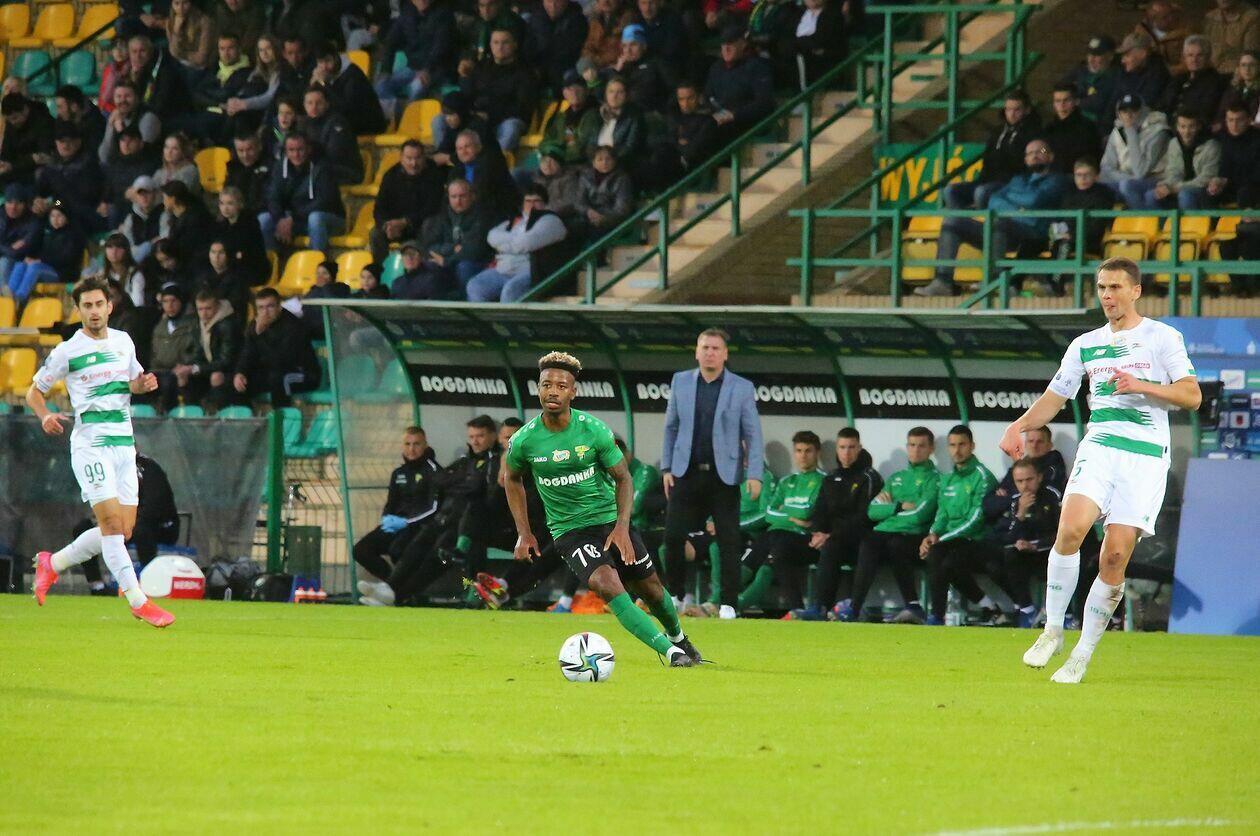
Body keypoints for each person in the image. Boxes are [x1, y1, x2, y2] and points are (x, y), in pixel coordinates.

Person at [1004, 257, 1199, 683]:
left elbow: (1191, 395)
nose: (1107, 296)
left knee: (1113, 555)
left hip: (1145, 456)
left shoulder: (1163, 337)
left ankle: (1082, 654)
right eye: (1101, 288)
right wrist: (1020, 425)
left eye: (1115, 287)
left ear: (1136, 291)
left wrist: (1142, 385)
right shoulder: (1084, 344)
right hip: (1101, 445)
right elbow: (1055, 397)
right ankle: (1052, 630)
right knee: (1070, 530)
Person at [505, 351, 701, 666]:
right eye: (546, 385)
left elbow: (624, 479)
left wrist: (622, 527)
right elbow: (512, 479)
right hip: (570, 530)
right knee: (606, 583)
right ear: (538, 388)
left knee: (651, 589)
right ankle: (671, 652)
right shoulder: (524, 440)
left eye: (561, 386)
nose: (553, 391)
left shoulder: (593, 430)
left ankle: (679, 638)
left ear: (573, 392)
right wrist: (524, 532)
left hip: (610, 521)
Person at [28, 276, 173, 627]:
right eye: (86, 306)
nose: (93, 311)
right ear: (78, 310)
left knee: (123, 531)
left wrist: (143, 385)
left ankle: (53, 563)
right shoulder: (68, 351)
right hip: (92, 445)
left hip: (124, 445)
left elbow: (133, 382)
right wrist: (45, 415)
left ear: (109, 306)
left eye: (98, 304)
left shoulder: (124, 342)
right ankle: (138, 600)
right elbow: (34, 392)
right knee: (109, 525)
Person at [661, 328, 763, 620]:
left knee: (729, 541)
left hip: (724, 475)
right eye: (705, 347)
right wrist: (667, 467)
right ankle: (676, 595)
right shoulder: (680, 381)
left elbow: (752, 433)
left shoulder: (741, 387)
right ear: (697, 351)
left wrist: (755, 473)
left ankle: (728, 603)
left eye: (716, 348)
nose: (710, 353)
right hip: (685, 471)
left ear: (725, 354)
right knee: (672, 536)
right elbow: (671, 427)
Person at [359, 415, 500, 606]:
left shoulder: (494, 461)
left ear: (493, 436)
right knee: (414, 549)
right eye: (472, 436)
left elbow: (477, 489)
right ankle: (389, 589)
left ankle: (397, 596)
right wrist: (464, 483)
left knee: (432, 560)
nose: (475, 441)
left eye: (480, 436)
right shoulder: (466, 460)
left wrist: (462, 484)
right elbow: (442, 481)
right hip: (445, 519)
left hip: (467, 525)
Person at [917, 139, 1068, 297]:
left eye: (1040, 152)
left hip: (1032, 234)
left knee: (999, 221)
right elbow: (994, 200)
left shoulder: (1058, 180)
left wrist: (1011, 198)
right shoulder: (1017, 180)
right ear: (1025, 159)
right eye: (1030, 153)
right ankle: (943, 282)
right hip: (1002, 229)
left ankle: (994, 280)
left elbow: (1035, 200)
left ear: (1051, 156)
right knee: (952, 222)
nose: (1034, 155)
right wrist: (1018, 210)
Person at [847, 427, 939, 625]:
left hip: (914, 535)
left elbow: (920, 515)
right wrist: (899, 506)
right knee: (869, 541)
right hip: (887, 533)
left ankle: (913, 606)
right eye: (912, 445)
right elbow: (872, 511)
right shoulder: (896, 478)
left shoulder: (935, 479)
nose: (916, 450)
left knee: (896, 544)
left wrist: (889, 512)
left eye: (921, 446)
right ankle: (854, 608)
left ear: (931, 449)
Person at [792, 427, 882, 621]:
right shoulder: (831, 478)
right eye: (842, 447)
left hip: (859, 539)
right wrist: (818, 532)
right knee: (785, 545)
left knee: (841, 544)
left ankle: (852, 608)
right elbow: (820, 510)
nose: (846, 453)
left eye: (851, 447)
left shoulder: (869, 477)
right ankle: (819, 607)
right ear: (837, 449)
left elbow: (864, 516)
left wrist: (831, 535)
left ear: (859, 448)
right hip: (832, 539)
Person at [736, 430, 825, 613]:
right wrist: (793, 517)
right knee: (772, 546)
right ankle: (724, 603)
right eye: (799, 451)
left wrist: (784, 510)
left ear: (817, 452)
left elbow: (808, 511)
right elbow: (769, 513)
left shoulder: (823, 480)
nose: (803, 456)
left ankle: (727, 604)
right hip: (777, 540)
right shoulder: (786, 481)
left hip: (804, 540)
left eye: (808, 451)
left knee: (774, 541)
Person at [919, 425, 999, 626]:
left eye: (962, 444)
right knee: (935, 555)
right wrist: (932, 534)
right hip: (951, 541)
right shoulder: (947, 478)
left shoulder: (983, 476)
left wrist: (941, 538)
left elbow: (976, 519)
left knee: (948, 562)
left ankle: (986, 607)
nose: (957, 450)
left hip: (977, 540)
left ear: (972, 446)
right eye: (952, 445)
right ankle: (937, 616)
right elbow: (942, 513)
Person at [353, 426, 443, 592]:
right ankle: (392, 589)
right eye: (407, 444)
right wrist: (386, 519)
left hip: (419, 527)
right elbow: (391, 503)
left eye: (416, 444)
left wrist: (407, 522)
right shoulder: (398, 473)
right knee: (361, 550)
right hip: (396, 524)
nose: (411, 449)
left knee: (398, 550)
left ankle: (396, 591)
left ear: (425, 445)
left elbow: (434, 508)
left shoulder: (434, 471)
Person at [466, 185, 568, 303]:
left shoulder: (550, 220)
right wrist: (515, 242)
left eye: (536, 201)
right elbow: (491, 236)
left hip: (532, 273)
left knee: (510, 290)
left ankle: (506, 316)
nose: (531, 205)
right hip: (503, 270)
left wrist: (504, 245)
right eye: (528, 201)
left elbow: (525, 243)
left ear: (545, 203)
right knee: (475, 286)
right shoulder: (516, 221)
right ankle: (485, 316)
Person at [942, 90, 1041, 210]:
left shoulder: (1035, 132)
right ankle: (961, 220)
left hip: (1012, 183)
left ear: (1027, 110)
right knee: (950, 191)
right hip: (986, 180)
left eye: (1017, 110)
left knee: (981, 192)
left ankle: (983, 221)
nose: (1011, 114)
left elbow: (1044, 151)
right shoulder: (997, 131)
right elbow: (987, 157)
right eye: (1008, 109)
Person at [996, 457, 1062, 628]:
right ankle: (1027, 609)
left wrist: (1036, 545)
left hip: (1051, 551)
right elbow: (1010, 537)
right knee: (1007, 555)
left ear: (1039, 477)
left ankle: (1064, 615)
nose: (1025, 485)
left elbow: (1062, 534)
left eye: (1029, 479)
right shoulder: (1016, 501)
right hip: (1028, 554)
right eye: (1019, 481)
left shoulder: (1053, 496)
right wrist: (1021, 514)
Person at [233, 287, 321, 406]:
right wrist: (240, 372)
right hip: (274, 371)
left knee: (278, 379)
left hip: (304, 374)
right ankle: (246, 416)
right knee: (240, 383)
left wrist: (260, 335)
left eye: (270, 306)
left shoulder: (293, 326)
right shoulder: (256, 325)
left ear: (279, 307)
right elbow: (247, 353)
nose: (265, 312)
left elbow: (281, 360)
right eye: (261, 307)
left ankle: (281, 417)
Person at [259, 133, 346, 253]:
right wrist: (280, 219)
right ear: (286, 152)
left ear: (308, 149)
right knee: (264, 219)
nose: (296, 155)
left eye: (300, 149)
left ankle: (317, 261)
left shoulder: (322, 167)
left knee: (315, 218)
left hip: (328, 219)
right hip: (296, 220)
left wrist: (292, 218)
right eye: (291, 150)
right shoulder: (279, 167)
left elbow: (324, 202)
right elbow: (273, 197)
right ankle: (273, 259)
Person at [459, 28, 537, 153]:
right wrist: (465, 77)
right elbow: (468, 95)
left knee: (511, 127)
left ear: (515, 45)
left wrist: (490, 115)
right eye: (496, 42)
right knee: (441, 120)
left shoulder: (525, 72)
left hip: (507, 119)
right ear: (490, 45)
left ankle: (496, 161)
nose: (500, 47)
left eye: (505, 42)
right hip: (480, 118)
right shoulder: (481, 67)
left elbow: (522, 107)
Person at [375, 0, 456, 118]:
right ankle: (398, 114)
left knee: (417, 86)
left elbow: (440, 49)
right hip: (412, 67)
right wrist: (385, 70)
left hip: (436, 70)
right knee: (381, 85)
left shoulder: (444, 14)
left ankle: (407, 118)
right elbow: (390, 42)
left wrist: (427, 69)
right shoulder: (407, 12)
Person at [370, 140, 446, 263]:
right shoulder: (391, 176)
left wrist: (406, 222)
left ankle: (422, 267)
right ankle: (380, 271)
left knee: (430, 224)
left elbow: (432, 208)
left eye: (417, 158)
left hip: (420, 226)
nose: (413, 163)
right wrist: (387, 226)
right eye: (409, 158)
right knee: (375, 234)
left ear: (424, 158)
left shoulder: (434, 175)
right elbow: (379, 208)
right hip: (397, 227)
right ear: (401, 158)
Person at [1048, 159, 1117, 295]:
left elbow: (1098, 224)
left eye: (1087, 175)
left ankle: (1056, 284)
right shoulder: (1069, 195)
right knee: (1046, 243)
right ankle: (1051, 284)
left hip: (1090, 239)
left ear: (1096, 176)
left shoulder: (1103, 195)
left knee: (1063, 245)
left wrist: (1072, 235)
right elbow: (1060, 219)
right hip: (1067, 238)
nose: (1082, 178)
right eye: (1079, 175)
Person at [984, 426, 1067, 533]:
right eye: (1030, 441)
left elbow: (1043, 496)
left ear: (1049, 445)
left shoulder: (1054, 469)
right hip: (1008, 528)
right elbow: (988, 504)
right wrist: (1015, 500)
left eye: (1040, 442)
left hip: (1040, 529)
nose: (1034, 446)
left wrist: (1008, 498)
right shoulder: (1018, 468)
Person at [419, 178, 492, 292]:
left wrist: (447, 261)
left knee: (464, 267)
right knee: (429, 266)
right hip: (449, 259)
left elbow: (473, 250)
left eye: (462, 196)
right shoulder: (441, 217)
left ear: (472, 196)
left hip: (475, 262)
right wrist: (453, 248)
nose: (458, 201)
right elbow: (430, 247)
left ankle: (464, 301)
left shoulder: (482, 217)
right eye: (454, 197)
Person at [1099, 93, 1172, 209]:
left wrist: (1130, 131)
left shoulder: (1158, 131)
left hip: (1156, 179)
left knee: (1127, 186)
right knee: (1097, 186)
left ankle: (1144, 218)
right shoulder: (1117, 131)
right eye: (1124, 111)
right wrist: (1126, 177)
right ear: (1119, 113)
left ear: (1143, 110)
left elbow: (1140, 172)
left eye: (1133, 110)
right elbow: (1106, 168)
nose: (1129, 115)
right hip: (1127, 178)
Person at [704, 27, 774, 143]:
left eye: (730, 44)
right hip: (720, 118)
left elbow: (764, 103)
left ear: (742, 44)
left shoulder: (757, 67)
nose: (726, 49)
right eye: (723, 45)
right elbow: (708, 96)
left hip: (746, 122)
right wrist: (719, 113)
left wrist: (735, 114)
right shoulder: (716, 68)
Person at [178, 287, 240, 410]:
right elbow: (198, 353)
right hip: (210, 367)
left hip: (233, 371)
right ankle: (191, 414)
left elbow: (227, 361)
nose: (204, 313)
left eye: (208, 308)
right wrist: (188, 366)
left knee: (216, 377)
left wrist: (196, 368)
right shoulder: (199, 324)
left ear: (217, 307)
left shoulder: (228, 325)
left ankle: (219, 414)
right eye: (200, 309)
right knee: (182, 375)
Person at [1145, 109, 1220, 209]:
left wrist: (1175, 188)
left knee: (1185, 195)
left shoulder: (1211, 146)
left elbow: (1206, 178)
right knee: (1151, 195)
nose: (1187, 132)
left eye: (1191, 127)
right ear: (1177, 127)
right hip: (1178, 188)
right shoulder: (1174, 143)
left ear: (1199, 126)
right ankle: (1162, 220)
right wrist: (1166, 185)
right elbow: (1173, 171)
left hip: (1202, 191)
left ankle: (1191, 220)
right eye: (1183, 127)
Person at [310, 42, 385, 137]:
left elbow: (346, 109)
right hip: (346, 123)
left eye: (328, 61)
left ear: (336, 57)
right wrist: (314, 85)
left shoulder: (353, 75)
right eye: (320, 62)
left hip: (368, 124)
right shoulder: (327, 75)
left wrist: (324, 84)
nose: (324, 67)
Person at [149, 282, 199, 411]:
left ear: (181, 302)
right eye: (165, 301)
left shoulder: (193, 325)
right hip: (160, 371)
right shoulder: (160, 327)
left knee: (168, 383)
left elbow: (196, 351)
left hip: (182, 371)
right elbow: (154, 354)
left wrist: (185, 364)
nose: (169, 305)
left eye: (173, 301)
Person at [300, 85, 362, 186]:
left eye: (318, 103)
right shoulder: (303, 124)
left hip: (343, 171)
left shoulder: (337, 123)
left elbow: (334, 155)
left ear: (327, 104)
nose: (314, 107)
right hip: (318, 169)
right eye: (310, 103)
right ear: (304, 105)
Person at [1157, 36, 1227, 122]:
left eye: (1199, 55)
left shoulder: (1215, 82)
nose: (1194, 60)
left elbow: (1204, 112)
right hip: (1164, 123)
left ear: (1208, 57)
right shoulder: (1179, 79)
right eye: (1190, 55)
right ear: (1184, 58)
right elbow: (1162, 104)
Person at [1060, 35, 1120, 134]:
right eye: (1089, 54)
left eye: (1097, 55)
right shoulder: (1081, 70)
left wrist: (1077, 100)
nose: (1091, 59)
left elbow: (1099, 103)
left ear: (1110, 56)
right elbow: (1061, 88)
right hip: (1073, 124)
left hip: (1099, 130)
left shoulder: (1116, 76)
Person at [526, 0, 588, 91]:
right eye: (549, 1)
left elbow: (569, 52)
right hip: (538, 64)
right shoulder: (536, 18)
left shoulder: (577, 20)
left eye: (557, 1)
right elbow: (529, 47)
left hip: (565, 66)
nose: (553, 5)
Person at [0, 94, 55, 190]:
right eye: (9, 120)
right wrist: (3, 163)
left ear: (25, 110)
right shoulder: (11, 124)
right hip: (17, 168)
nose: (12, 122)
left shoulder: (43, 123)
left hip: (37, 171)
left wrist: (13, 166)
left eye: (15, 118)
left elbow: (43, 156)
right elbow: (7, 150)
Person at [1041, 85, 1101, 172]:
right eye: (1058, 101)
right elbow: (1043, 148)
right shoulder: (1049, 128)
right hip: (1052, 173)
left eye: (1066, 100)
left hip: (1076, 174)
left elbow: (1089, 153)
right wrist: (1044, 153)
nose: (1062, 105)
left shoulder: (1086, 127)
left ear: (1075, 101)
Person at [1113, 33, 1171, 116]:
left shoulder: (1158, 74)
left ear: (1142, 54)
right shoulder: (1125, 72)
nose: (1123, 61)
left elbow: (1143, 106)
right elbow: (1113, 103)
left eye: (1127, 55)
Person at [1203, 0, 1260, 76]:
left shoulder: (1252, 18)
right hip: (1211, 75)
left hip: (1237, 75)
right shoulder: (1210, 18)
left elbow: (1250, 57)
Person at [1136, 0, 1191, 76]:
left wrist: (1167, 72)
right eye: (1165, 17)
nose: (1170, 18)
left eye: (1171, 14)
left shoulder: (1184, 34)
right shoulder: (1141, 34)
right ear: (1153, 20)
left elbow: (1189, 63)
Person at [118, 175, 164, 264]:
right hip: (137, 259)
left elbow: (165, 237)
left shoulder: (164, 213)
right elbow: (128, 243)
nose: (144, 197)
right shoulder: (131, 218)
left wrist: (149, 246)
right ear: (135, 196)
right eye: (140, 194)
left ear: (155, 193)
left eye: (147, 193)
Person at [224, 132, 271, 214]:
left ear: (259, 147)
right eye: (240, 151)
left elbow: (270, 198)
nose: (245, 155)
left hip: (262, 212)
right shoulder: (233, 167)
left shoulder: (270, 166)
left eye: (249, 149)